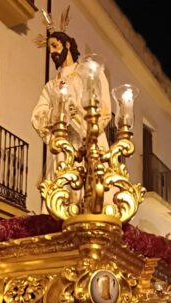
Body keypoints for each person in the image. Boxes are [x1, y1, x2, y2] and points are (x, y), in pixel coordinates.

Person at [31, 9, 112, 208]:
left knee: (95, 200)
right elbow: (37, 116)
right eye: (49, 49)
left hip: (91, 145)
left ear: (67, 45)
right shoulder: (51, 87)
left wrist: (87, 133)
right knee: (61, 202)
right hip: (64, 151)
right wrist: (59, 114)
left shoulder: (90, 73)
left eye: (55, 46)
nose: (53, 52)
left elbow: (104, 109)